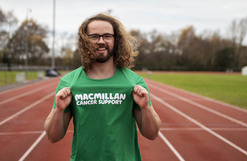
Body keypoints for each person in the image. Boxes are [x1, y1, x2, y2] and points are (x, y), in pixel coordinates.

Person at [44, 13, 161, 161]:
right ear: (85, 41)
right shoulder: (69, 83)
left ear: (116, 40)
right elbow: (53, 136)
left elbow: (152, 134)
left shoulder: (133, 82)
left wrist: (146, 108)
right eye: (94, 36)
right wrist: (59, 110)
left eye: (107, 36)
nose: (101, 41)